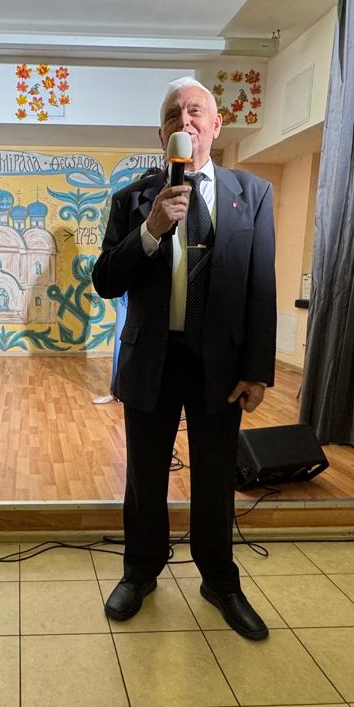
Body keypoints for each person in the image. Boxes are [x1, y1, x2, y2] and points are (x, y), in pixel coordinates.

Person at [93, 77, 276, 640]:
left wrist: (258, 370)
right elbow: (106, 280)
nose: (185, 120)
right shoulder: (132, 199)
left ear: (216, 125)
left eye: (196, 111)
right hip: (153, 358)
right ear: (162, 133)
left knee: (217, 477)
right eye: (173, 114)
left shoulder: (253, 193)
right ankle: (139, 572)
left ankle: (220, 580)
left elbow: (260, 286)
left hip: (220, 364)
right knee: (144, 476)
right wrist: (150, 230)